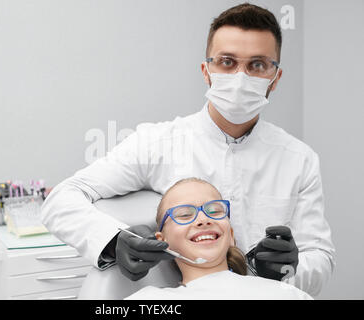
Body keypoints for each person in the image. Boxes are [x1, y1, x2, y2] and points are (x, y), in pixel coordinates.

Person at [41, 3, 335, 296]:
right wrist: (111, 241)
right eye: (227, 62)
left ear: (275, 77)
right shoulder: (156, 143)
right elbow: (62, 199)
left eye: (257, 65)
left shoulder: (299, 160)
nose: (240, 77)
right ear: (207, 71)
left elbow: (319, 257)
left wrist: (291, 269)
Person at [125, 178, 312, 300]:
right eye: (183, 214)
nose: (203, 219)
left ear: (230, 234)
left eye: (214, 211)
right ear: (160, 242)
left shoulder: (285, 294)